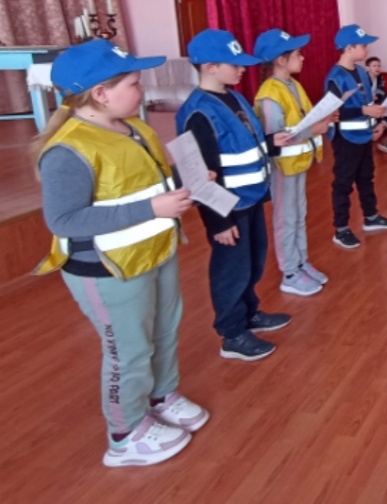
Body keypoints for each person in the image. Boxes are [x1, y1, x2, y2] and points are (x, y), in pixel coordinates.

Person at [34, 39, 208, 467]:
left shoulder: (136, 128)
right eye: (133, 83)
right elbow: (64, 221)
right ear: (100, 93)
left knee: (164, 331)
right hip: (106, 270)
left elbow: (147, 180)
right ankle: (125, 433)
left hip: (155, 252)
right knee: (127, 351)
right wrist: (152, 208)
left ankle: (161, 395)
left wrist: (187, 180)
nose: (142, 90)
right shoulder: (68, 150)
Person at [177, 29, 294, 361]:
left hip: (251, 197)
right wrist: (219, 222)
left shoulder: (235, 97)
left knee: (253, 262)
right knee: (232, 269)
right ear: (210, 67)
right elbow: (198, 174)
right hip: (227, 208)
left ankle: (249, 313)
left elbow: (242, 145)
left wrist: (271, 143)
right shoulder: (197, 112)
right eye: (235, 64)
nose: (243, 69)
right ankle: (232, 333)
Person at [253, 29, 332, 297]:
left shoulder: (293, 86)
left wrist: (322, 121)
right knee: (285, 217)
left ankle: (300, 262)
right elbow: (277, 137)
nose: (303, 57)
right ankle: (289, 272)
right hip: (281, 168)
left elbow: (302, 120)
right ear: (281, 60)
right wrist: (314, 130)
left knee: (299, 214)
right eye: (297, 54)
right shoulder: (269, 93)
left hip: (298, 163)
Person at [324, 24, 387, 250]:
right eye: (363, 45)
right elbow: (334, 112)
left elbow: (368, 103)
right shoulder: (335, 77)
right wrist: (364, 111)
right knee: (344, 182)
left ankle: (371, 216)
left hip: (364, 136)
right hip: (345, 138)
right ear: (349, 48)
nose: (367, 49)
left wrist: (376, 123)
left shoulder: (362, 73)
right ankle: (341, 229)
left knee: (366, 177)